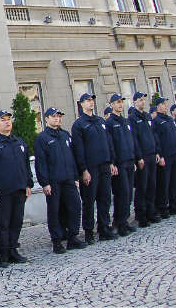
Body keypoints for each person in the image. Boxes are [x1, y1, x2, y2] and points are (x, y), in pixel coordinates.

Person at [0, 110, 34, 268]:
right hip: (2, 192)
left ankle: (13, 250)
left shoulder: (19, 143)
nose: (7, 122)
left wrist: (28, 184)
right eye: (3, 120)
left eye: (9, 119)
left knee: (16, 221)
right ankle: (3, 254)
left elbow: (26, 165)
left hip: (19, 189)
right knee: (3, 223)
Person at [34, 108, 84, 253]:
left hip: (68, 178)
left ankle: (73, 236)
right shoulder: (42, 138)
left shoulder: (65, 135)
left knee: (75, 206)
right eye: (54, 117)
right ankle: (57, 240)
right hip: (53, 181)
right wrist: (45, 183)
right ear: (47, 119)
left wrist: (75, 177)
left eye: (59, 116)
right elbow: (41, 163)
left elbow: (72, 157)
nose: (57, 119)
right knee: (55, 211)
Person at [70, 93, 117, 243]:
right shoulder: (79, 124)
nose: (91, 103)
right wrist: (83, 170)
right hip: (90, 168)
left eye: (92, 100)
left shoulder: (100, 121)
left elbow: (108, 142)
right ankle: (89, 231)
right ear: (81, 104)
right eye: (88, 100)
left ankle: (104, 227)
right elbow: (79, 149)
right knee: (89, 200)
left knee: (105, 198)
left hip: (104, 165)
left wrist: (111, 162)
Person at [105, 94, 140, 236]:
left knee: (128, 193)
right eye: (117, 102)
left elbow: (131, 141)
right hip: (119, 163)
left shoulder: (125, 121)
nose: (120, 105)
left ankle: (124, 220)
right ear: (112, 105)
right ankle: (119, 223)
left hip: (129, 161)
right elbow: (110, 144)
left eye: (121, 102)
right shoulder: (110, 122)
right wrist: (112, 162)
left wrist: (134, 158)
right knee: (122, 193)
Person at [128, 92, 159, 227]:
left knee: (152, 185)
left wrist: (157, 151)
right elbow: (134, 139)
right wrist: (139, 157)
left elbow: (153, 134)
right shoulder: (132, 118)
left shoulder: (147, 116)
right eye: (140, 100)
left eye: (144, 100)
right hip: (143, 157)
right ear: (135, 102)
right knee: (142, 186)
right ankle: (141, 214)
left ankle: (151, 211)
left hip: (152, 154)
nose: (143, 102)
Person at [153, 97, 176, 218]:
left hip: (174, 153)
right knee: (165, 183)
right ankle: (163, 207)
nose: (165, 106)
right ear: (158, 106)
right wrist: (160, 155)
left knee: (174, 181)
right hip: (166, 156)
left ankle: (174, 204)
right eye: (163, 104)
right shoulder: (157, 121)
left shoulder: (169, 119)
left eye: (166, 104)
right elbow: (157, 140)